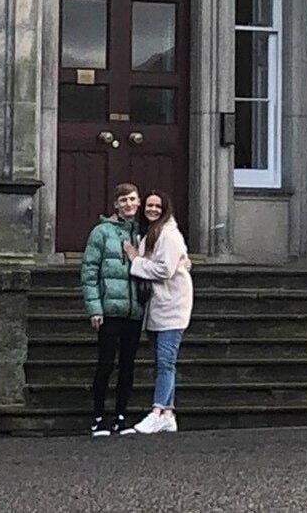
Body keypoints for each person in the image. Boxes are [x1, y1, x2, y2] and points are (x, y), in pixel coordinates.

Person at [123, 191, 193, 434]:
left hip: (172, 306)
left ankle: (157, 411)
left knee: (166, 362)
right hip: (158, 306)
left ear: (166, 209)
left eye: (157, 206)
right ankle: (168, 413)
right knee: (163, 362)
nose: (152, 209)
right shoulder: (153, 234)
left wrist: (135, 261)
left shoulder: (169, 235)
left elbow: (164, 270)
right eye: (149, 205)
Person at [80, 183, 145, 436]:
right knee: (106, 363)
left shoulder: (141, 232)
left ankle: (120, 415)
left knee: (128, 364)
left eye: (132, 199)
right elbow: (89, 271)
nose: (128, 204)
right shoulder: (101, 232)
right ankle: (98, 416)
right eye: (123, 200)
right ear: (116, 205)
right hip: (109, 309)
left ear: (138, 202)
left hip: (134, 310)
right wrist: (94, 307)